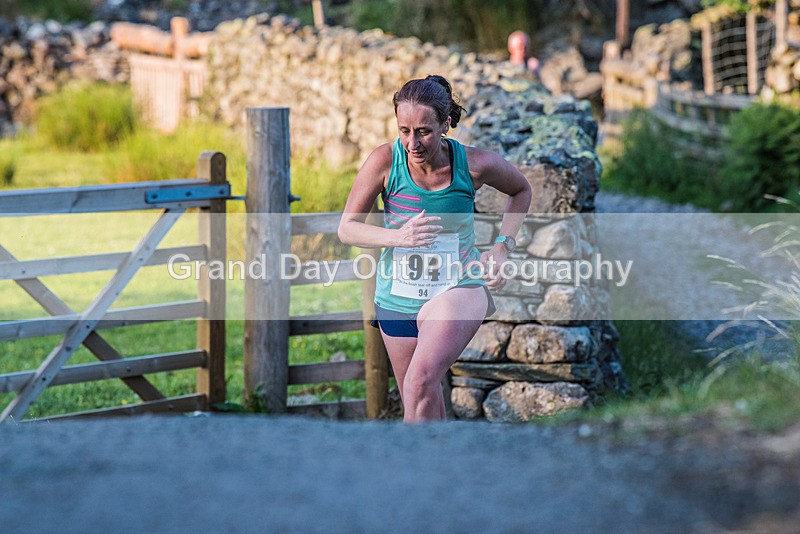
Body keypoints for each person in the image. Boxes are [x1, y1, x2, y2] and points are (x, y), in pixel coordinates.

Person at [338, 75, 532, 422]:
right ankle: (440, 469)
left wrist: (502, 247)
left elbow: (521, 190)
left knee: (419, 382)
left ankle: (418, 473)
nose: (413, 142)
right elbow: (347, 228)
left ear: (446, 124)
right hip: (397, 297)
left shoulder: (474, 165)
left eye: (424, 131)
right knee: (420, 400)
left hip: (459, 287)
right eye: (404, 130)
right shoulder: (384, 162)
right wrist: (399, 238)